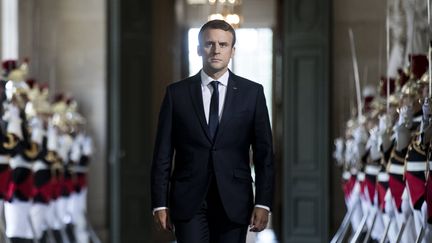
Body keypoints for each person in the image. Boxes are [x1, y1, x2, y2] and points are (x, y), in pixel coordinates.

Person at [151, 19, 274, 243]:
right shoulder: (176, 94)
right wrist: (160, 203)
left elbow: (264, 153)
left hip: (235, 200)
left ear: (233, 51)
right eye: (209, 44)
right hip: (188, 201)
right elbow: (162, 154)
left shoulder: (252, 93)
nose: (216, 50)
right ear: (199, 49)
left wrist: (263, 202)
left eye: (223, 44)